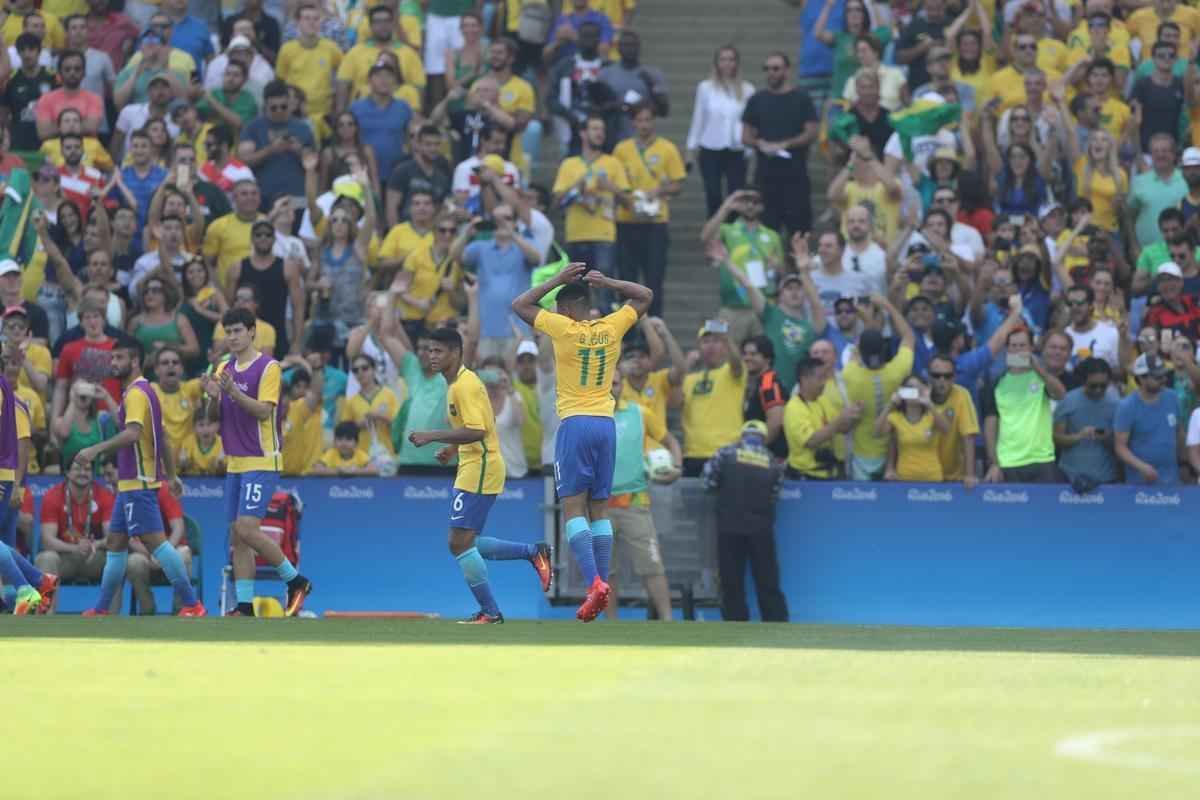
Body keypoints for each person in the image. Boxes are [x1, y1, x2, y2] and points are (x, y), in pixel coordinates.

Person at [511, 262, 652, 622]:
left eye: (560, 305)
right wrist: (608, 283)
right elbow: (645, 296)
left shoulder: (562, 328)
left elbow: (520, 305)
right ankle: (602, 581)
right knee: (599, 510)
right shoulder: (611, 326)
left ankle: (594, 584)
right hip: (606, 424)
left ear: (567, 308)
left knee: (573, 510)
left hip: (575, 424)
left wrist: (556, 280)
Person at [407, 327, 552, 624]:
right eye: (430, 350)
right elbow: (478, 427)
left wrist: (432, 436)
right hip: (473, 464)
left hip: (482, 466)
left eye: (439, 351)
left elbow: (478, 430)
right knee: (465, 542)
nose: (432, 356)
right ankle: (533, 553)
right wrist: (451, 448)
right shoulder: (458, 384)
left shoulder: (464, 386)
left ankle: (490, 611)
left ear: (456, 353)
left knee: (458, 543)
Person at [71, 339, 203, 617]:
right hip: (132, 484)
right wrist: (172, 476)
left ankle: (192, 603)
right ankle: (103, 608)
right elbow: (162, 439)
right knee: (117, 545)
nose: (113, 363)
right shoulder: (144, 391)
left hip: (138, 484)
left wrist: (95, 449)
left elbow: (132, 433)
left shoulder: (136, 394)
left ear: (135, 362)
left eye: (119, 358)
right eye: (113, 357)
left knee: (159, 545)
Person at [199, 307, 312, 617]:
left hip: (261, 459)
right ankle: (246, 605)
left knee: (248, 529)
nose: (232, 337)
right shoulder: (223, 367)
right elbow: (212, 419)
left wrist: (232, 391)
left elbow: (264, 412)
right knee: (238, 535)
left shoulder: (268, 367)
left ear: (252, 332)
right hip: (235, 461)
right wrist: (211, 397)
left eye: (237, 331)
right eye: (228, 332)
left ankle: (296, 580)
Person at [702, 419, 787, 623]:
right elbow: (774, 494)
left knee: (731, 580)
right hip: (761, 528)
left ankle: (735, 623)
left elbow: (708, 482)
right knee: (767, 579)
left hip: (729, 525)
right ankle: (776, 622)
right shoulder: (773, 462)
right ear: (764, 438)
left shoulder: (725, 454)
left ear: (742, 435)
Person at [606, 366, 674, 620]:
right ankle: (610, 627)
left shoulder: (640, 413)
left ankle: (668, 621)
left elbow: (671, 442)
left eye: (615, 383)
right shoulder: (587, 417)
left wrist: (676, 468)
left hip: (634, 503)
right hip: (598, 507)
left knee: (652, 566)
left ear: (622, 385)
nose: (611, 388)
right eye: (606, 383)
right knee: (605, 572)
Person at [613, 104, 684, 317]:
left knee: (654, 280)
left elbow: (677, 184)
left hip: (656, 223)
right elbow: (616, 180)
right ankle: (627, 331)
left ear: (654, 122)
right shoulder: (622, 149)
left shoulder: (667, 149)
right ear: (633, 123)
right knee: (626, 279)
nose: (644, 125)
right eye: (640, 120)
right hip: (627, 220)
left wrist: (658, 190)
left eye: (648, 120)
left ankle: (654, 326)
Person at [741, 51, 818, 238]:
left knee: (799, 232)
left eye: (776, 68)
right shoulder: (757, 100)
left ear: (787, 71)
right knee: (767, 232)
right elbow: (745, 136)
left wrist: (785, 144)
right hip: (766, 177)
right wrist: (760, 143)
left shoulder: (802, 98)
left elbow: (811, 132)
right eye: (766, 69)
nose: (771, 73)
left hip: (795, 176)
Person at [552, 114, 631, 288]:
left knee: (604, 288)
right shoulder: (569, 164)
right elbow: (557, 202)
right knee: (575, 290)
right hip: (575, 234)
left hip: (604, 234)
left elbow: (628, 203)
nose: (600, 133)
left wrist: (611, 187)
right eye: (595, 129)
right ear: (583, 133)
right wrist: (575, 185)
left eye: (602, 130)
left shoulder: (613, 163)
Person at [843, 295, 915, 481]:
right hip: (892, 452)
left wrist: (865, 320)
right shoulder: (896, 371)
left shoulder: (851, 375)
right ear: (884, 350)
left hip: (861, 454)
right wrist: (887, 305)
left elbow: (860, 349)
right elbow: (908, 337)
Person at [982, 327, 1067, 484]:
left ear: (1031, 348)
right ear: (1007, 349)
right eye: (1013, 346)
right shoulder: (996, 382)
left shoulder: (1041, 375)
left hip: (1041, 460)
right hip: (1008, 462)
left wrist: (1037, 366)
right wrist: (994, 463)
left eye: (1022, 345)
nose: (1018, 350)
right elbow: (990, 428)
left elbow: (1060, 394)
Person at [699, 189, 783, 344]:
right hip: (731, 307)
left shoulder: (773, 236)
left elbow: (781, 272)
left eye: (755, 201)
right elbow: (705, 237)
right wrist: (727, 206)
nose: (750, 205)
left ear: (762, 207)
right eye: (746, 201)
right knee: (725, 355)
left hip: (763, 307)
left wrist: (776, 267)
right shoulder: (727, 230)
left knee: (763, 357)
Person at [33, 458, 115, 612]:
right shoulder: (53, 496)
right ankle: (44, 620)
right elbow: (47, 540)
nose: (83, 473)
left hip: (94, 557)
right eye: (77, 469)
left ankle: (112, 622)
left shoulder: (104, 496)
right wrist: (75, 548)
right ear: (67, 473)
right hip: (64, 558)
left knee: (117, 562)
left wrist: (95, 544)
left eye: (87, 469)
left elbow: (112, 537)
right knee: (46, 558)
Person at [686, 45, 754, 217]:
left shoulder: (748, 89)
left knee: (736, 196)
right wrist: (691, 147)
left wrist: (749, 148)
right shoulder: (705, 88)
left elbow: (751, 122)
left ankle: (732, 236)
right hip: (710, 147)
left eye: (731, 59)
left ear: (737, 63)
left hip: (737, 149)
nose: (727, 64)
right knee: (713, 194)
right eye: (723, 59)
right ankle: (714, 236)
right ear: (717, 63)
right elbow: (698, 118)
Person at [680, 320, 745, 476]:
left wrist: (727, 337)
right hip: (692, 454)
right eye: (705, 341)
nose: (710, 345)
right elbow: (674, 400)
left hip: (727, 453)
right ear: (699, 348)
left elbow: (736, 362)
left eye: (716, 341)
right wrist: (684, 367)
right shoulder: (688, 379)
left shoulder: (732, 373)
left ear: (725, 347)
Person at [784, 356, 859, 479]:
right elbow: (811, 441)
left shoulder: (822, 400)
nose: (824, 382)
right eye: (820, 378)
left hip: (830, 473)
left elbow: (842, 428)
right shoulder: (794, 408)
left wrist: (853, 415)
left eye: (825, 377)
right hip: (806, 478)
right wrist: (840, 419)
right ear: (804, 379)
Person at [1114, 353, 1183, 485]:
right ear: (1141, 378)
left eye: (1164, 375)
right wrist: (1141, 467)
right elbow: (1120, 447)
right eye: (1158, 377)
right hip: (1140, 481)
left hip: (1171, 480)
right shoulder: (1127, 406)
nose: (1163, 379)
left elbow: (1179, 432)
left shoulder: (1172, 397)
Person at [1054, 357, 1118, 487]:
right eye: (1093, 386)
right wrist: (1079, 436)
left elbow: (1123, 444)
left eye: (1103, 386)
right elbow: (1056, 438)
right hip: (1069, 476)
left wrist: (1107, 438)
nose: (1098, 390)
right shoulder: (1068, 401)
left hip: (1106, 478)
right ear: (1083, 381)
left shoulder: (1116, 404)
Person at [876, 374, 951, 482]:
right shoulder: (895, 418)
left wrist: (929, 404)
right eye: (909, 388)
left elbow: (946, 429)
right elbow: (877, 431)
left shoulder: (933, 415)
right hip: (904, 479)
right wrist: (890, 404)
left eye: (917, 389)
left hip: (933, 479)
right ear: (902, 392)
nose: (913, 392)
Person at [926, 353, 980, 488]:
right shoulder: (921, 395)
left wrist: (970, 474)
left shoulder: (962, 395)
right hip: (924, 475)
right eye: (936, 376)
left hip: (954, 478)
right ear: (929, 377)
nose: (942, 380)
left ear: (954, 377)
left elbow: (969, 436)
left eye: (947, 376)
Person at [1064, 285, 1121, 370]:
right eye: (1070, 303)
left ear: (1091, 305)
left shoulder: (1111, 333)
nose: (1074, 307)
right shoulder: (1063, 336)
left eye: (1080, 303)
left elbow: (1120, 371)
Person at [311, 420, 377, 475]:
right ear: (334, 442)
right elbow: (317, 469)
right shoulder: (331, 453)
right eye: (340, 439)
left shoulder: (359, 454)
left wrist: (354, 471)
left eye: (348, 439)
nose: (344, 443)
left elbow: (374, 469)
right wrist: (338, 471)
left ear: (356, 443)